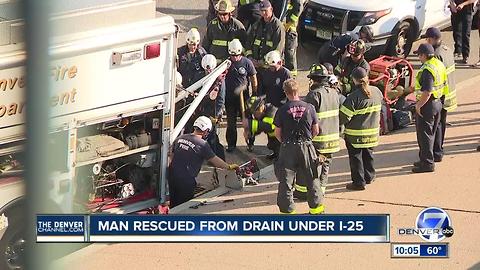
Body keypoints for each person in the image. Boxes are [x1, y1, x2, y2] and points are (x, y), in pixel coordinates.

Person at [274, 79, 323, 214]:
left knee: (286, 182)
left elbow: (277, 133)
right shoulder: (310, 108)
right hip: (306, 147)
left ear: (286, 92)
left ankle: (288, 213)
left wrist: (284, 143)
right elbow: (316, 130)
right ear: (298, 91)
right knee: (312, 179)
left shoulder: (282, 110)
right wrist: (308, 141)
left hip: (288, 148)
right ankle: (316, 211)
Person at [169, 116, 238, 207]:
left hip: (172, 178)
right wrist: (228, 167)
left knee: (173, 206)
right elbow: (215, 160)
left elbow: (171, 156)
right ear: (206, 131)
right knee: (183, 208)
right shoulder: (202, 144)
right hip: (186, 182)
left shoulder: (180, 138)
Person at [295, 64, 340, 199]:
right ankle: (321, 192)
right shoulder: (334, 93)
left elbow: (306, 119)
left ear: (314, 80)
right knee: (325, 167)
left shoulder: (313, 95)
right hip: (332, 140)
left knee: (311, 167)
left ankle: (306, 194)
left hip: (318, 140)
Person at [339, 67, 383, 190]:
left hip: (355, 136)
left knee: (356, 159)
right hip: (373, 134)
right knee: (368, 155)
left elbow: (344, 117)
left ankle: (358, 183)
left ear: (354, 80)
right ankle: (369, 176)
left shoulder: (353, 97)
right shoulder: (376, 91)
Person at [422, 27, 457, 163]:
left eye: (427, 39)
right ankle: (439, 150)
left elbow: (435, 75)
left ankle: (436, 152)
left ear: (431, 39)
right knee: (441, 123)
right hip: (449, 92)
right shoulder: (447, 49)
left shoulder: (436, 54)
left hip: (440, 94)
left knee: (436, 126)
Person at [412, 43, 447, 173]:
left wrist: (418, 105)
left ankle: (427, 163)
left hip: (428, 105)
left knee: (425, 135)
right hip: (438, 102)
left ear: (424, 55)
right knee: (436, 130)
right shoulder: (438, 64)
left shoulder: (427, 70)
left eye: (419, 55)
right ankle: (435, 155)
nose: (419, 58)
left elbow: (427, 91)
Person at [190, 54, 227, 160]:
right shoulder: (199, 76)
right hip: (200, 110)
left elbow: (220, 99)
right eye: (207, 70)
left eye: (210, 69)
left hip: (212, 112)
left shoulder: (219, 80)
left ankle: (220, 159)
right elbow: (194, 88)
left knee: (212, 137)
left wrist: (216, 115)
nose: (209, 72)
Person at [224, 39, 258, 152]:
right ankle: (231, 145)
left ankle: (250, 142)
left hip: (244, 98)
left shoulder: (247, 63)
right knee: (231, 124)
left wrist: (254, 93)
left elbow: (253, 78)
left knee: (248, 122)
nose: (235, 58)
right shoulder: (226, 63)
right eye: (233, 56)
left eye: (237, 55)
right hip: (230, 99)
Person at [245, 0, 285, 69]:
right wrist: (250, 57)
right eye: (261, 11)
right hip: (255, 66)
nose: (263, 13)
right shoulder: (256, 25)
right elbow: (249, 42)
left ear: (271, 9)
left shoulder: (278, 26)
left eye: (265, 10)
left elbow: (277, 49)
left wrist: (263, 61)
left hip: (270, 66)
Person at [270, 0, 303, 77]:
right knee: (278, 49)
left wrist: (290, 22)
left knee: (289, 53)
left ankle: (292, 77)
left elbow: (298, 7)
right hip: (278, 26)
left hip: (289, 28)